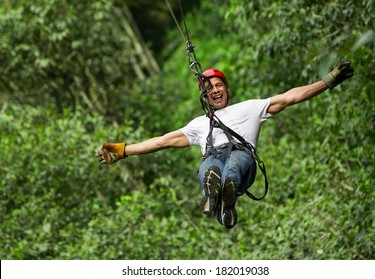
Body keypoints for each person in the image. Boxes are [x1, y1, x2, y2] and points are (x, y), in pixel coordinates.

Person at [95, 62, 354, 229]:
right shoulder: (199, 124)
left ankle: (223, 194)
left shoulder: (250, 108)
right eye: (209, 89)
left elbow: (290, 97)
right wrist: (122, 150)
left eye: (219, 85)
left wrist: (328, 81)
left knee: (234, 166)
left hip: (243, 158)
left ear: (226, 89)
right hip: (213, 157)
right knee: (210, 167)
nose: (215, 90)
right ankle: (217, 196)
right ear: (204, 97)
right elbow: (162, 141)